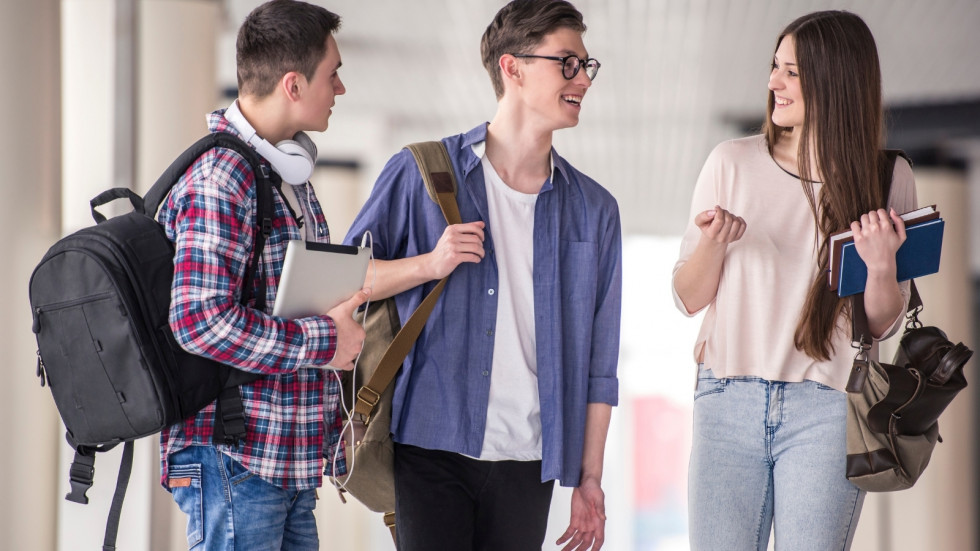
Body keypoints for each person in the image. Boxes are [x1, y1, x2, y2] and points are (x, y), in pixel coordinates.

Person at [344, 1, 621, 549]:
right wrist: (431, 263)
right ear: (511, 67)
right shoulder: (421, 173)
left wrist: (590, 478)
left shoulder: (595, 210)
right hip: (429, 446)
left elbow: (599, 364)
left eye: (586, 66)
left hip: (529, 458)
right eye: (566, 62)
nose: (582, 79)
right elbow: (347, 282)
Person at [672, 10, 916, 550]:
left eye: (791, 73)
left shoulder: (887, 177)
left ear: (835, 82)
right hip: (726, 400)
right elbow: (688, 298)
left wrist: (880, 265)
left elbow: (879, 325)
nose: (772, 83)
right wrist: (714, 243)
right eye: (774, 67)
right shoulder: (730, 162)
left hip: (828, 409)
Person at [157, 1, 368, 549]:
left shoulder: (284, 176)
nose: (340, 88)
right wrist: (326, 340)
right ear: (294, 84)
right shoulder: (222, 178)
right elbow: (200, 321)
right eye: (333, 73)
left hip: (283, 459)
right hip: (234, 458)